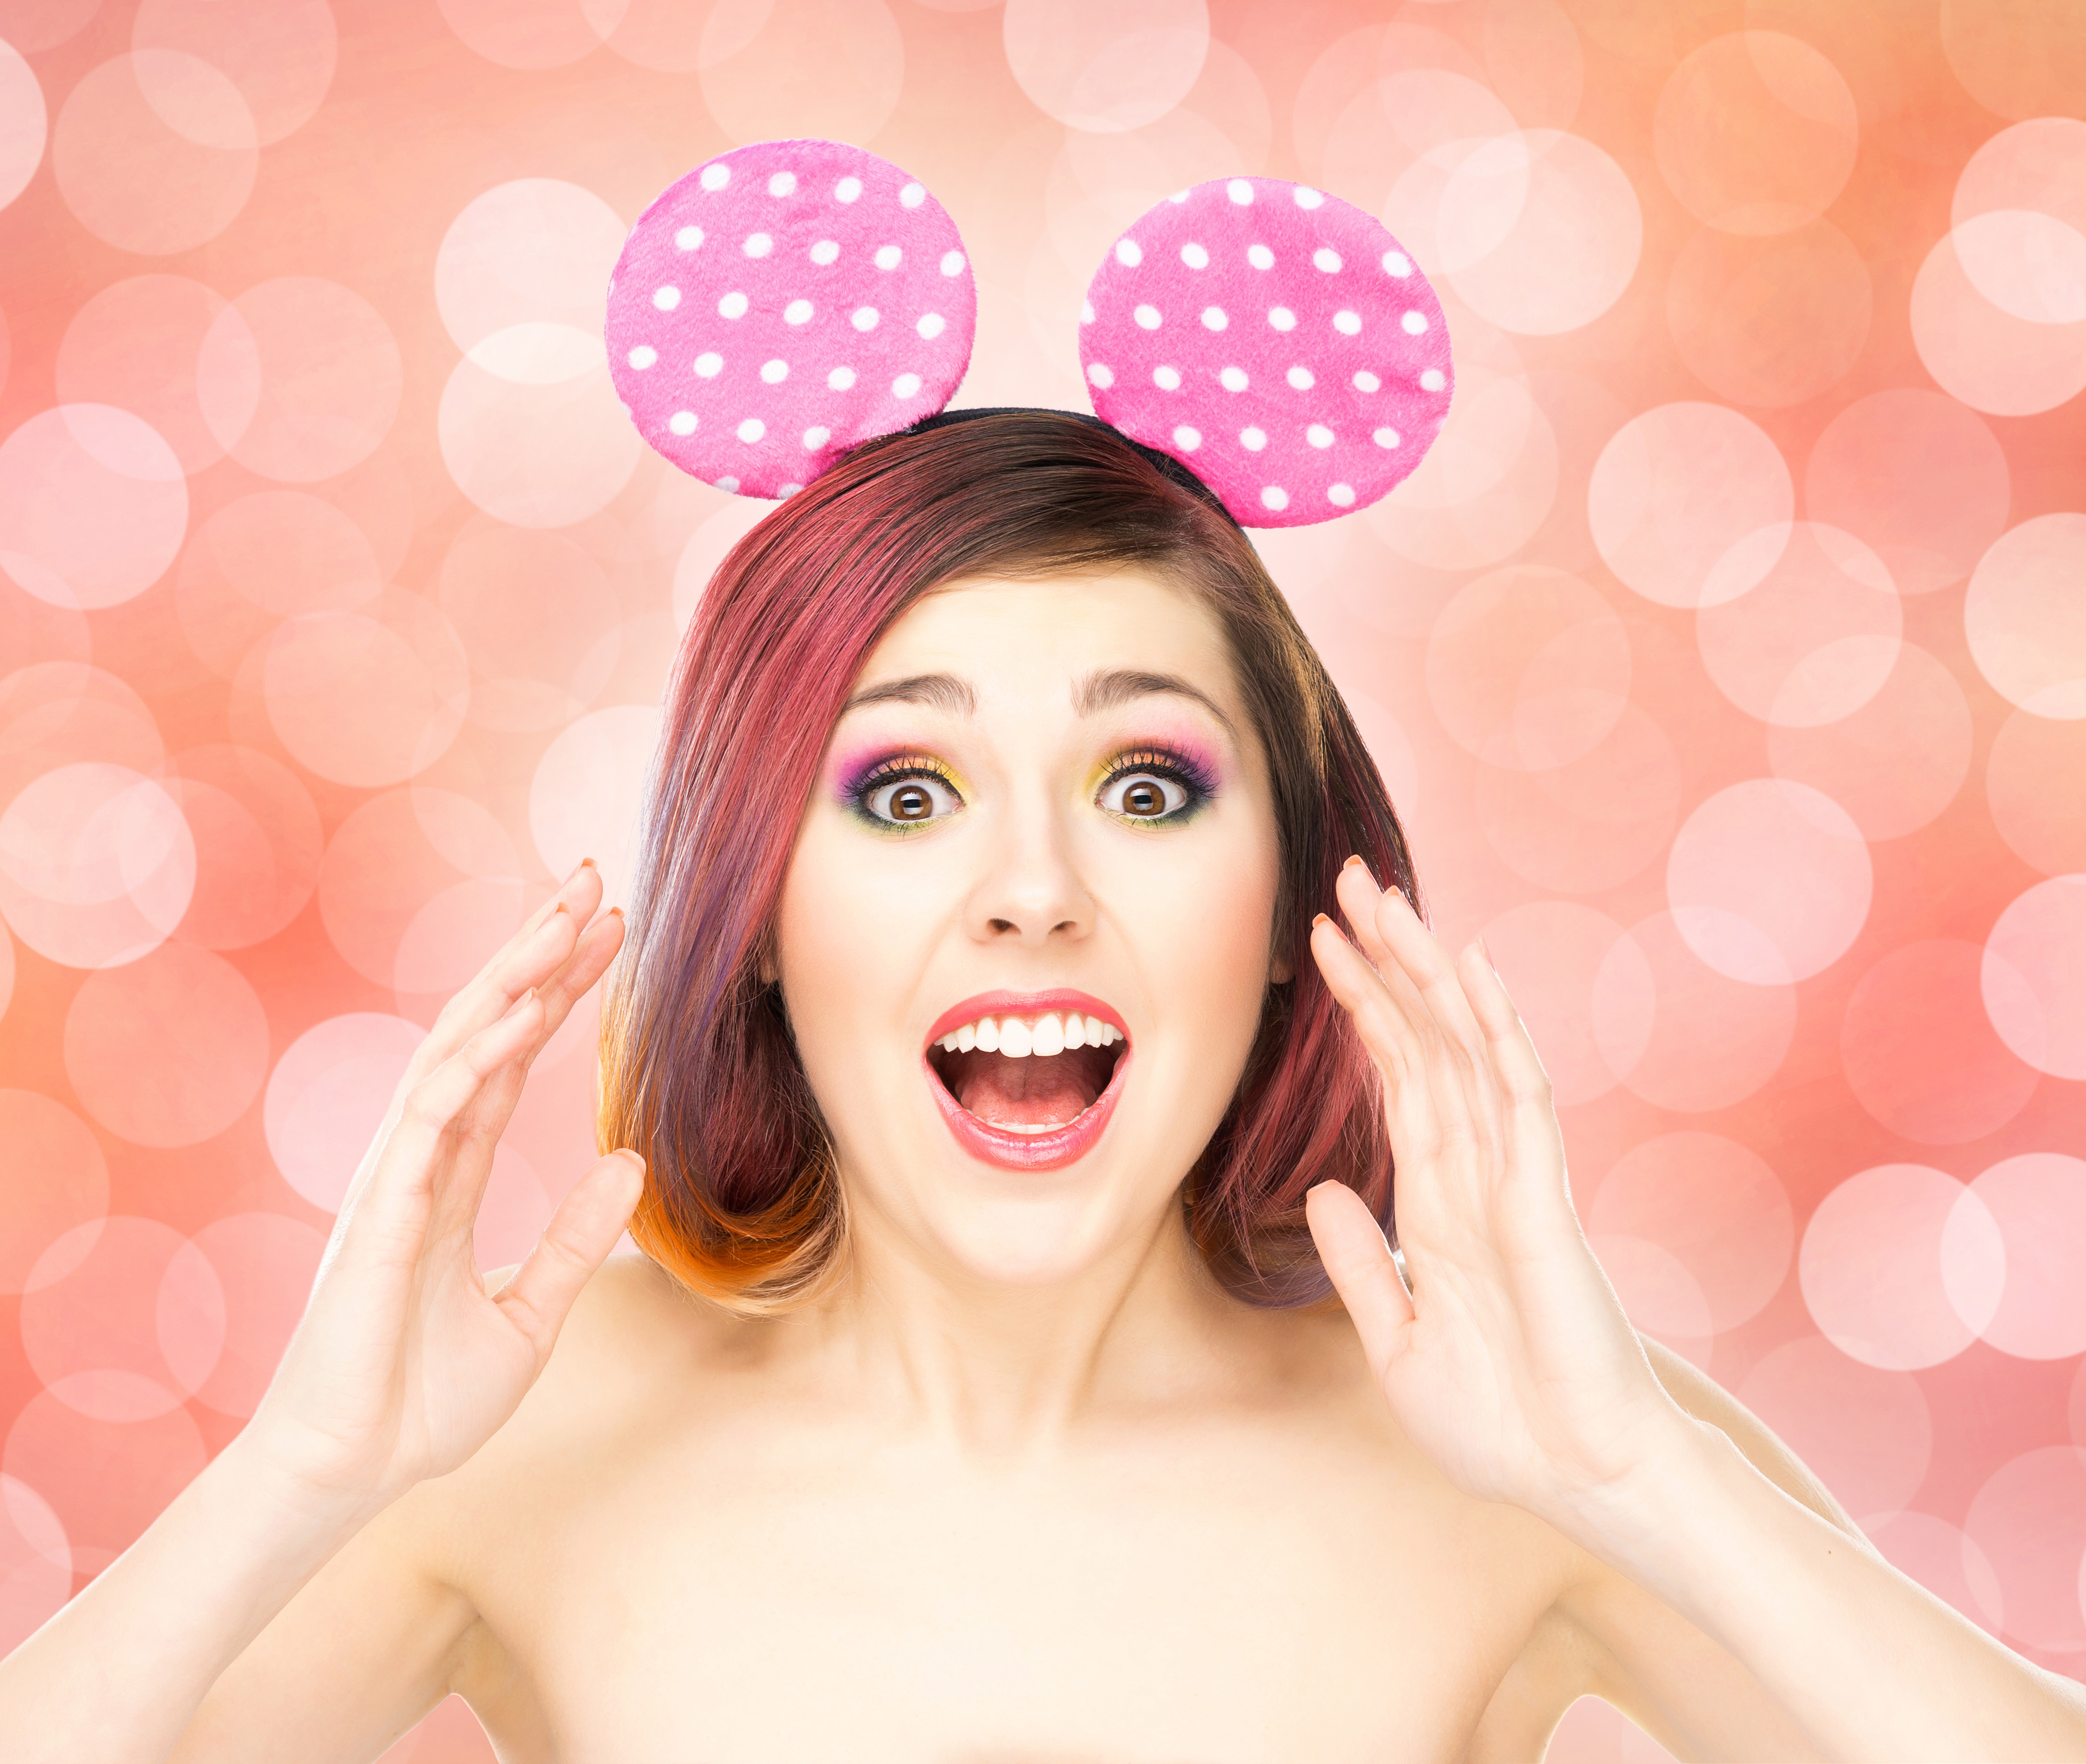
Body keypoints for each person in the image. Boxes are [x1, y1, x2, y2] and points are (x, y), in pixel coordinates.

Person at [3, 408, 2083, 1761]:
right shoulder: (529, 1437)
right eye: (902, 790)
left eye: (1146, 784)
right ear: (754, 905)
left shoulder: (1522, 1436)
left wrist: (1650, 1489)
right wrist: (293, 1481)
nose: (1026, 893)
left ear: (1289, 897)